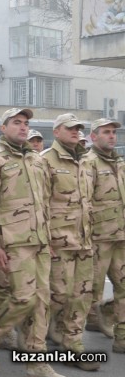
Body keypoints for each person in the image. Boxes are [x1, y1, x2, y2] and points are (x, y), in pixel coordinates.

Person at [0, 108, 62, 377]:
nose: (23, 127)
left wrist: (46, 237)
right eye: (17, 123)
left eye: (26, 123)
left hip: (38, 241)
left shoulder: (36, 160)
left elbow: (44, 201)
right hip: (13, 242)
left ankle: (37, 363)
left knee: (41, 302)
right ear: (3, 128)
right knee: (23, 299)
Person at [42, 113, 99, 371]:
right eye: (70, 128)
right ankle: (34, 337)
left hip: (85, 241)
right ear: (57, 131)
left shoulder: (87, 161)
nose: (76, 132)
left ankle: (73, 344)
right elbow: (38, 204)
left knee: (82, 295)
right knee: (58, 294)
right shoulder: (44, 161)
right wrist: (45, 242)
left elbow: (91, 201)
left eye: (78, 128)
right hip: (58, 241)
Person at [83, 118, 125, 354]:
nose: (111, 136)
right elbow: (83, 203)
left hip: (120, 238)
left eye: (113, 132)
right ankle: (67, 337)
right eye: (106, 132)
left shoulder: (119, 163)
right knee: (88, 293)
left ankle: (122, 338)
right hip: (97, 239)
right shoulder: (88, 164)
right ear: (93, 136)